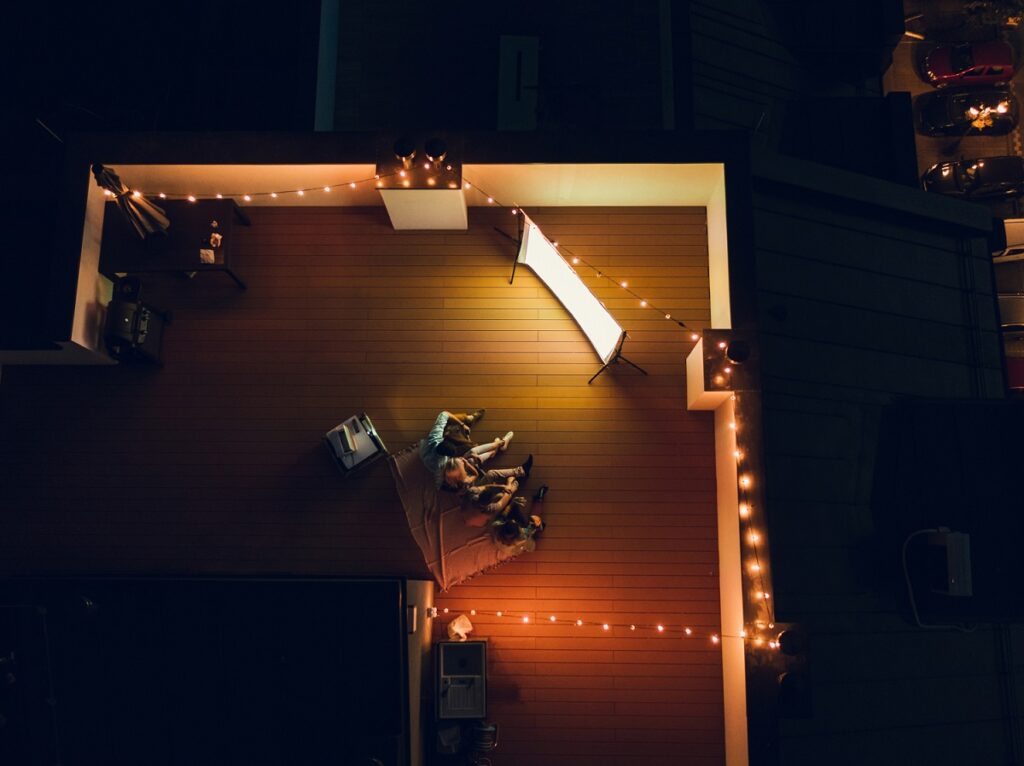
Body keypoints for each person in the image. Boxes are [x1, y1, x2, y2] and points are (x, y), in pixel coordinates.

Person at [419, 409, 487, 487]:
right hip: (429, 454)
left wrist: (462, 424)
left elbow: (444, 414)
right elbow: (439, 484)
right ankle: (462, 431)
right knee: (469, 446)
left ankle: (468, 419)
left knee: (450, 421)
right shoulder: (440, 466)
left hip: (432, 449)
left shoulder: (435, 436)